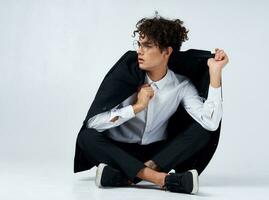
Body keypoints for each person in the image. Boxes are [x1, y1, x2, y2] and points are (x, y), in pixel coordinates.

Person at [76, 14, 229, 194]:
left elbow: (210, 123)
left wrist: (215, 73)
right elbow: (93, 123)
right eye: (139, 44)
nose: (139, 51)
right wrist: (136, 107)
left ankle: (126, 176)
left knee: (203, 131)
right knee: (86, 137)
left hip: (157, 155)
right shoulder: (125, 76)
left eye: (147, 46)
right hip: (118, 150)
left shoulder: (181, 85)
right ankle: (162, 179)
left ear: (167, 52)